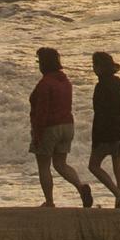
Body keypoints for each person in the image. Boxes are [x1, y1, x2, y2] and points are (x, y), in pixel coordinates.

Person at [29, 47, 93, 207]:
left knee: (44, 166)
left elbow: (42, 111)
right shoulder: (65, 81)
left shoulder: (45, 83)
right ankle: (80, 186)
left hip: (50, 127)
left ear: (44, 63)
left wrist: (37, 134)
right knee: (60, 163)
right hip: (67, 125)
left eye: (39, 61)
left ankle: (49, 201)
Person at [87, 51, 120, 209]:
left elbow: (99, 113)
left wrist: (96, 139)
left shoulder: (101, 86)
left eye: (95, 65)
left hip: (107, 132)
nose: (93, 68)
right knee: (119, 168)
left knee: (93, 165)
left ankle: (117, 193)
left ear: (100, 68)